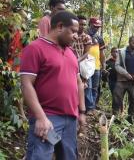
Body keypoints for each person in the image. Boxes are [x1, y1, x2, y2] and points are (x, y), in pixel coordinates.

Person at [20, 11, 86, 160]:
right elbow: (26, 85)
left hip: (70, 119)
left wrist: (82, 112)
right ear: (60, 27)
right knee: (41, 155)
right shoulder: (35, 48)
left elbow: (78, 83)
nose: (76, 36)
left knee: (67, 155)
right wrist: (41, 117)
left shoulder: (70, 53)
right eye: (73, 31)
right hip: (48, 119)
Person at [114, 36, 134, 122]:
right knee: (117, 98)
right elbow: (117, 65)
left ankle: (131, 118)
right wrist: (126, 74)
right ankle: (116, 117)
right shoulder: (122, 52)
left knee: (133, 100)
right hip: (122, 80)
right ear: (129, 42)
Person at [85, 17, 106, 113]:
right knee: (87, 87)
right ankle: (88, 107)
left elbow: (102, 53)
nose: (96, 28)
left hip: (97, 66)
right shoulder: (84, 35)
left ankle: (92, 107)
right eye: (95, 26)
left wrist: (103, 65)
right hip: (86, 66)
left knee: (94, 87)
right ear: (90, 24)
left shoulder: (99, 38)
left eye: (98, 27)